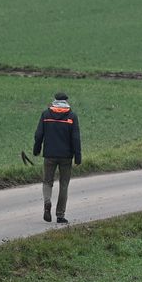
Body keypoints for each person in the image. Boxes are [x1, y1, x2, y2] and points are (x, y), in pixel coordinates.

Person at [31, 91, 82, 224]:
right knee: (64, 185)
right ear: (66, 101)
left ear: (54, 100)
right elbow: (76, 138)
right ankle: (60, 215)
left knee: (47, 181)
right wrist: (78, 156)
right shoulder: (72, 116)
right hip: (66, 156)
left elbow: (38, 134)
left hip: (49, 155)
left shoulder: (46, 114)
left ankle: (47, 202)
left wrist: (36, 149)